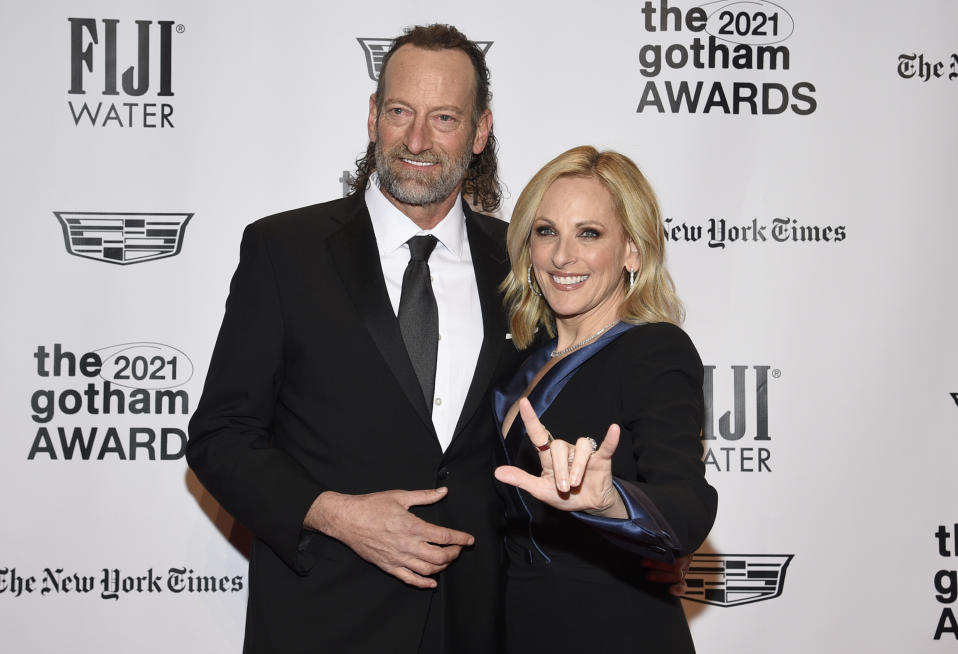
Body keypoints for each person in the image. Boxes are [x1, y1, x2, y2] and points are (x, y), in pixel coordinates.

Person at [187, 24, 520, 654]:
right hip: (326, 621)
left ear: (479, 132)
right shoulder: (284, 252)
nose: (417, 140)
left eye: (444, 117)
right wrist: (337, 514)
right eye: (400, 111)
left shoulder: (520, 263)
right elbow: (220, 437)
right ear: (373, 115)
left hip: (479, 623)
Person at [493, 146, 718, 653]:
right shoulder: (521, 360)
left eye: (588, 234)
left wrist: (613, 501)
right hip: (519, 627)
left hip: (614, 629)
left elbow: (686, 506)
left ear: (633, 251)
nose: (561, 255)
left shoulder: (653, 350)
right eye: (546, 231)